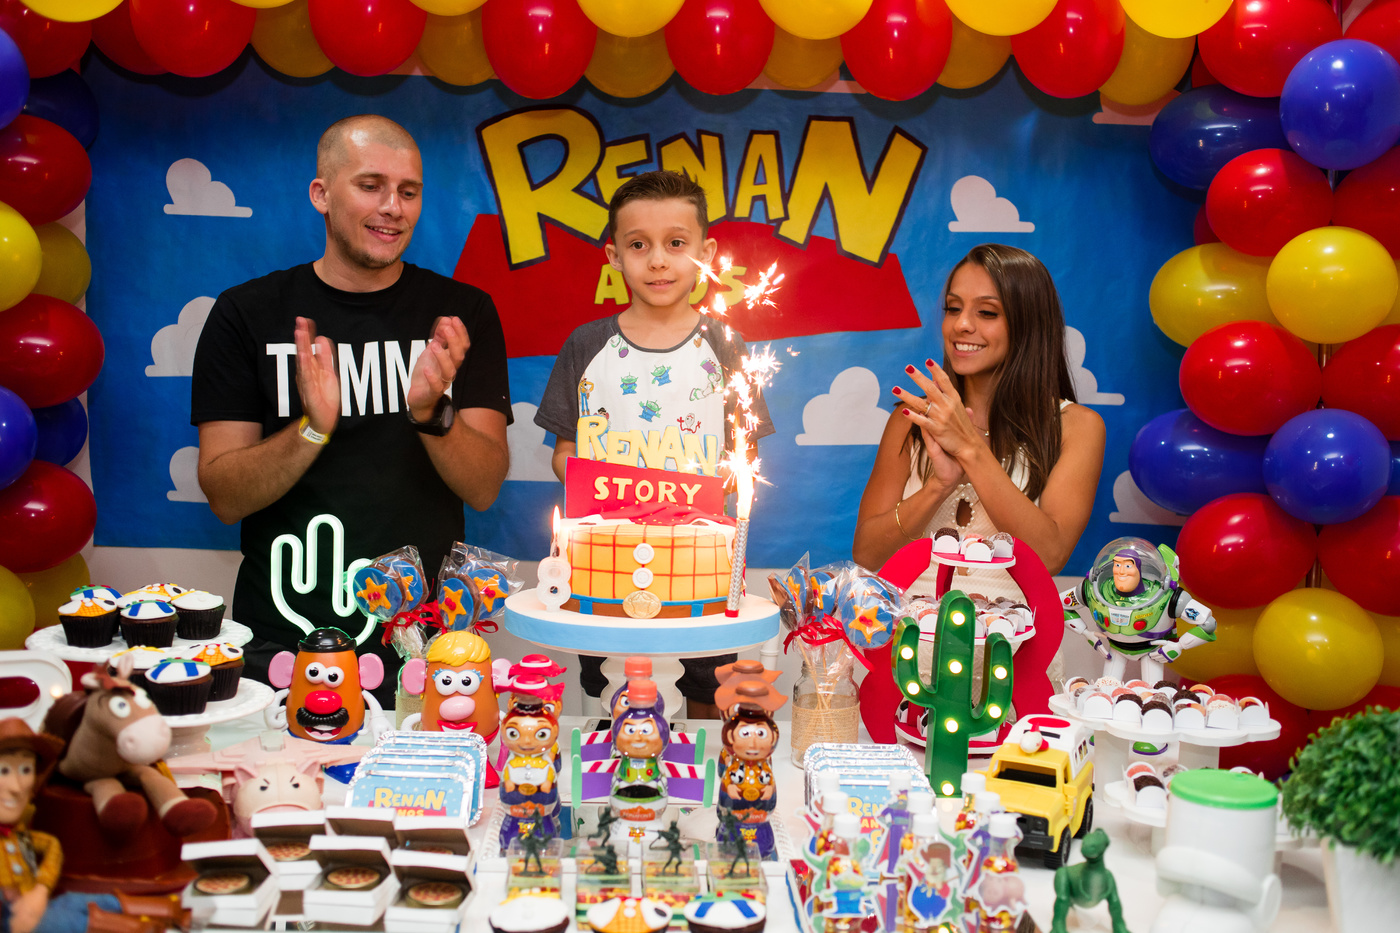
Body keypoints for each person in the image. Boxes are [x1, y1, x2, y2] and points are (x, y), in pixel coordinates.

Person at [191, 115, 512, 700]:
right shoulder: (247, 313)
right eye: (370, 185)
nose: (393, 207)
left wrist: (430, 415)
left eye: (408, 191)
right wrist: (312, 429)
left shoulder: (461, 314)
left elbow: (485, 486)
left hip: (423, 650)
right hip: (281, 646)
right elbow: (224, 496)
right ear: (322, 193)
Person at [534, 170, 774, 720]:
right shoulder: (587, 345)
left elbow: (746, 460)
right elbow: (563, 453)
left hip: (702, 572)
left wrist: (705, 483)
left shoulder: (726, 345)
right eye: (639, 245)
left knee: (706, 708)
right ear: (614, 256)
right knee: (612, 705)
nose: (658, 261)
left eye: (676, 243)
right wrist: (611, 480)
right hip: (607, 567)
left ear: (706, 253)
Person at [853, 243, 1105, 603]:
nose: (961, 325)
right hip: (907, 633)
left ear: (1030, 323)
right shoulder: (911, 419)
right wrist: (938, 486)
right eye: (953, 308)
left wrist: (970, 449)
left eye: (987, 312)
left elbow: (1049, 555)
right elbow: (867, 554)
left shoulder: (1077, 427)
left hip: (1015, 635)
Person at [0, 718, 120, 933]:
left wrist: (40, 890)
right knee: (68, 921)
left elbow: (52, 846)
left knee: (88, 901)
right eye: (4, 771)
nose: (17, 787)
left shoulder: (19, 835)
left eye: (26, 770)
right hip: (14, 920)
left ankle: (166, 910)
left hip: (37, 904)